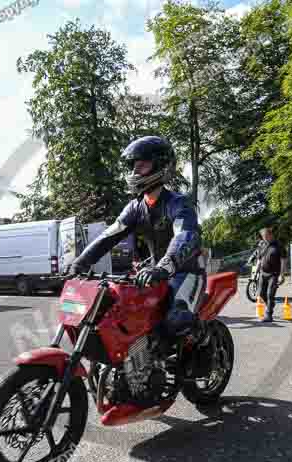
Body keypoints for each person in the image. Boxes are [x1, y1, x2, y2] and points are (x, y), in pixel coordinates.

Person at [67, 136, 205, 405]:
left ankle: (200, 337)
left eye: (141, 166)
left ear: (161, 167)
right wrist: (80, 263)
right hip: (154, 271)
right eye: (133, 167)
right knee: (119, 312)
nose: (134, 173)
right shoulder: (135, 207)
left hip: (185, 271)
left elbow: (185, 235)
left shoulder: (178, 203)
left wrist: (165, 266)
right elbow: (109, 235)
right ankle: (136, 366)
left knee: (175, 318)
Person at [254, 227, 283, 322]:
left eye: (266, 236)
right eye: (263, 236)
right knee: (261, 294)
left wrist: (281, 275)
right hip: (263, 273)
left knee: (270, 294)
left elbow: (283, 260)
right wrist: (256, 273)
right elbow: (259, 260)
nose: (265, 238)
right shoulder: (262, 245)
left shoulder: (278, 245)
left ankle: (269, 315)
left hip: (274, 274)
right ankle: (270, 305)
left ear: (271, 235)